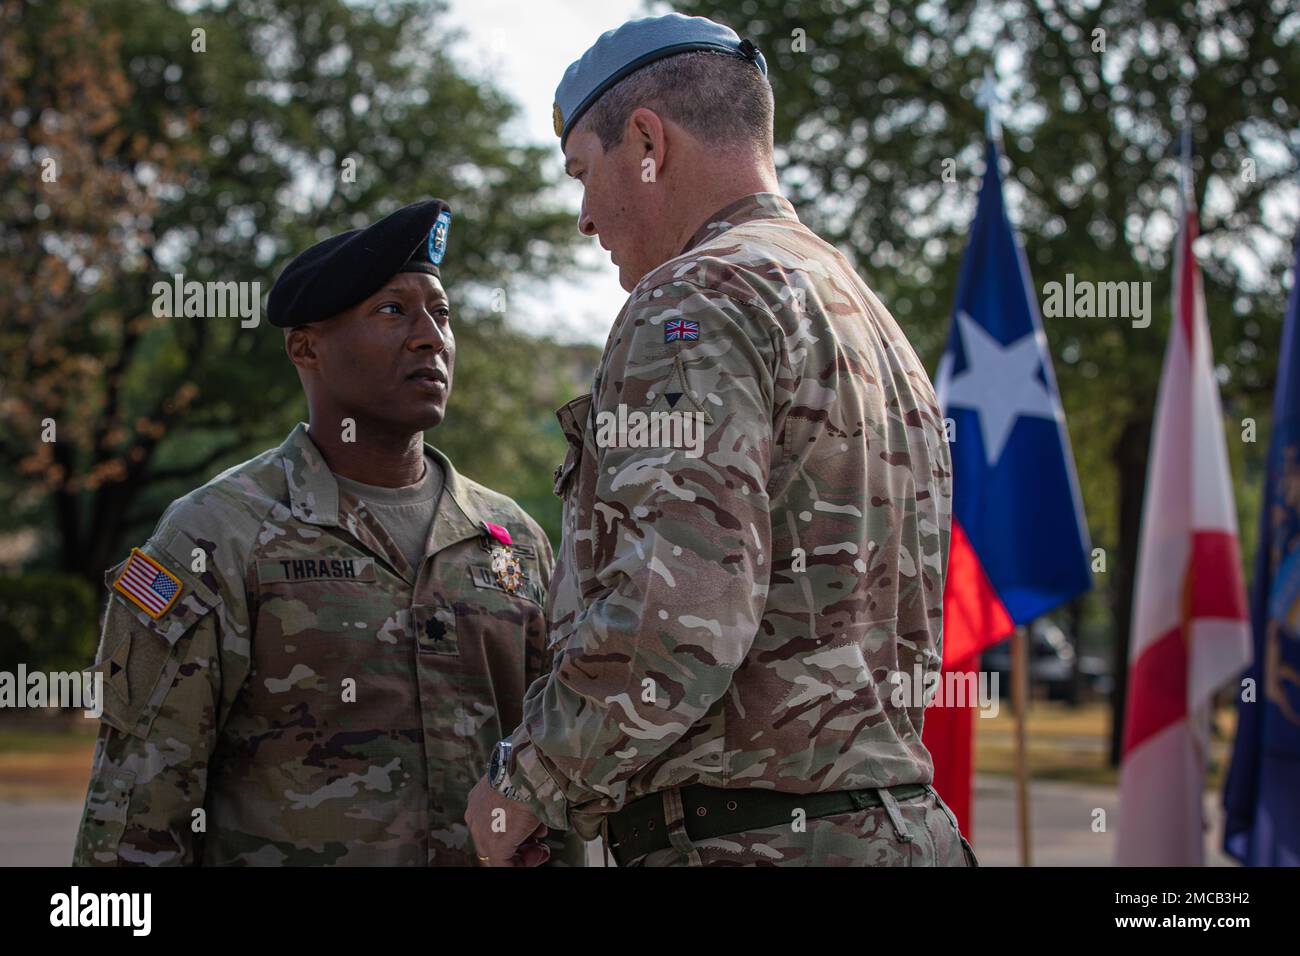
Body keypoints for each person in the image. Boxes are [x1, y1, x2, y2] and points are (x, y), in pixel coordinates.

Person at [466, 14, 975, 867]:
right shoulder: (863, 312)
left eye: (584, 175)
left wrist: (522, 789)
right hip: (893, 831)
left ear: (647, 141)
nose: (586, 218)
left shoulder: (693, 298)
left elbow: (676, 613)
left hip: (747, 840)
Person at [74, 199, 571, 866]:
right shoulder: (216, 535)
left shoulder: (513, 539)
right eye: (393, 311)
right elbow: (138, 809)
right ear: (306, 346)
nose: (431, 336)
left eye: (441, 313)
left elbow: (552, 777)